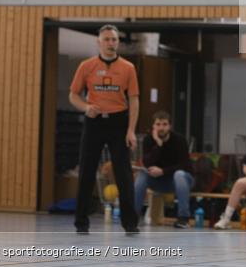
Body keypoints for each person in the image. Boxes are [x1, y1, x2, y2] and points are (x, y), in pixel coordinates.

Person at [68, 24, 140, 235]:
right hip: (95, 122)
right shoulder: (86, 66)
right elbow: (73, 95)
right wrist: (85, 107)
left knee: (124, 174)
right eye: (106, 39)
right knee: (87, 172)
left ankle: (130, 223)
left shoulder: (128, 68)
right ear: (98, 42)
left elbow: (134, 100)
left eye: (114, 39)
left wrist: (131, 130)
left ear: (118, 42)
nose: (110, 43)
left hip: (118, 122)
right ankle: (81, 222)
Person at [133, 111, 194, 228]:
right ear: (153, 127)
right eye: (158, 124)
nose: (161, 127)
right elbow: (147, 163)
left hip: (182, 181)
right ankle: (133, 216)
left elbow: (184, 164)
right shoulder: (148, 140)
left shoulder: (179, 140)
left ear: (170, 126)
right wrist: (159, 145)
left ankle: (183, 219)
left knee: (179, 174)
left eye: (165, 124)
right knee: (142, 175)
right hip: (159, 181)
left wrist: (163, 171)